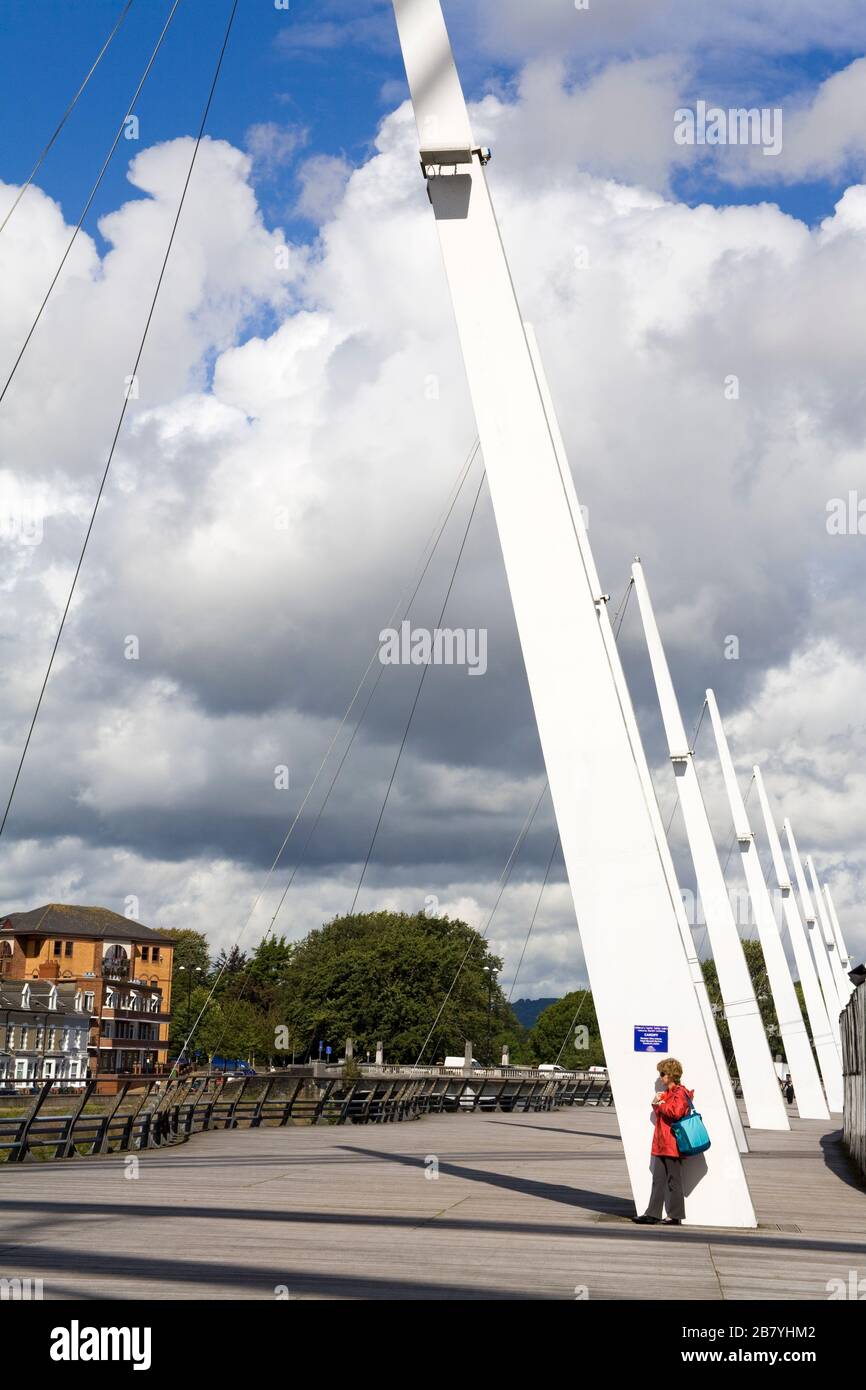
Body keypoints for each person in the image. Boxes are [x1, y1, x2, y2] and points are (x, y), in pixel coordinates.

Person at [632, 1056, 692, 1227]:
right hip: (661, 1143)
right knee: (658, 1179)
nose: (661, 1076)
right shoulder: (669, 1094)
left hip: (672, 1143)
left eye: (663, 1073)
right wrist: (657, 1103)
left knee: (674, 1180)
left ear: (671, 1075)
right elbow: (664, 1113)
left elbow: (676, 1113)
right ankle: (652, 1213)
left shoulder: (680, 1093)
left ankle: (675, 1215)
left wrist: (661, 1104)